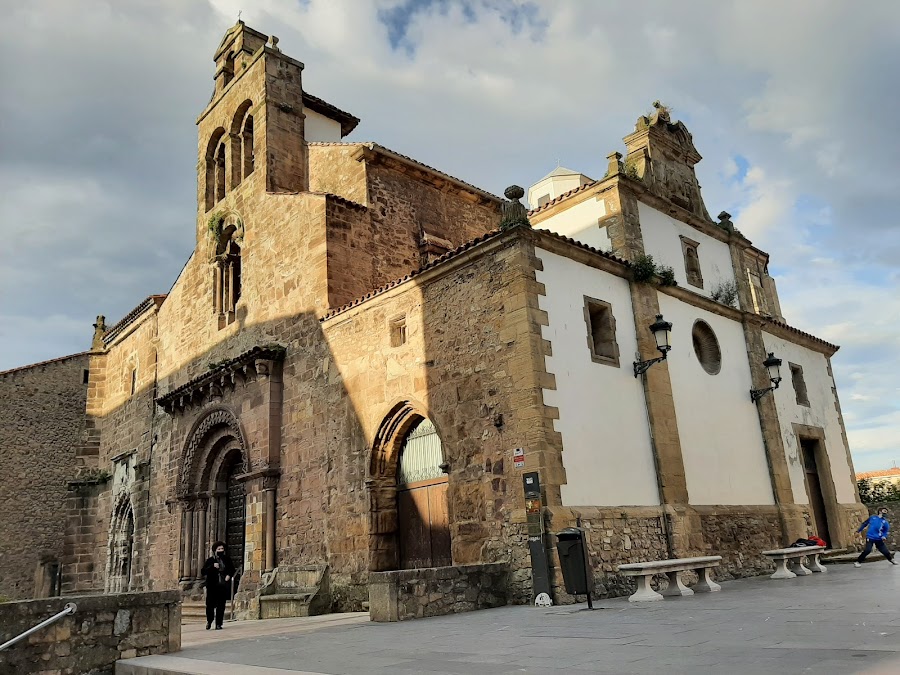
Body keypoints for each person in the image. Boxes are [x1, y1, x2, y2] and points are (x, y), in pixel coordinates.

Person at [201, 541, 235, 629]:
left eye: (222, 549)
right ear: (215, 550)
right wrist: (212, 566)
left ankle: (219, 624)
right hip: (212, 585)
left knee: (221, 605)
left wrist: (228, 575)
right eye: (219, 549)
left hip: (222, 585)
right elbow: (203, 571)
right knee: (210, 605)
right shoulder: (210, 560)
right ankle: (209, 621)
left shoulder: (227, 559)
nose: (221, 550)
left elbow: (231, 569)